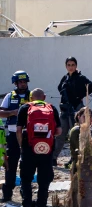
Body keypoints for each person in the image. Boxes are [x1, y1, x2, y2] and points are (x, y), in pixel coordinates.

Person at [16, 88, 61, 207]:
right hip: (47, 149)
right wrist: (46, 136)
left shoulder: (25, 108)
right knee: (44, 179)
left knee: (26, 178)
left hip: (29, 148)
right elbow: (59, 131)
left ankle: (27, 203)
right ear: (44, 97)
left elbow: (18, 130)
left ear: (31, 98)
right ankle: (42, 203)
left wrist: (22, 145)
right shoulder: (52, 108)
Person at [56, 57, 92, 161]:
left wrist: (79, 96)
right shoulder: (65, 78)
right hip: (65, 109)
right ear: (66, 66)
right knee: (60, 134)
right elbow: (59, 88)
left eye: (73, 65)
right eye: (69, 65)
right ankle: (53, 158)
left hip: (76, 108)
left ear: (76, 66)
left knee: (75, 133)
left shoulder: (80, 77)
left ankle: (75, 158)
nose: (71, 67)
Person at [1, 70, 31, 203]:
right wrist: (12, 112)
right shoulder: (9, 96)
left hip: (28, 134)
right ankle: (7, 194)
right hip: (13, 135)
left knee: (27, 165)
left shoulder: (32, 95)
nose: (23, 84)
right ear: (16, 83)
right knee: (11, 165)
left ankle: (26, 195)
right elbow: (1, 112)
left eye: (25, 82)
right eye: (20, 82)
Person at [67, 107, 89, 173]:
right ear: (79, 117)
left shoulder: (90, 129)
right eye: (84, 117)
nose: (87, 119)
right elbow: (82, 149)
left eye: (89, 117)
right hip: (79, 165)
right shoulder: (76, 131)